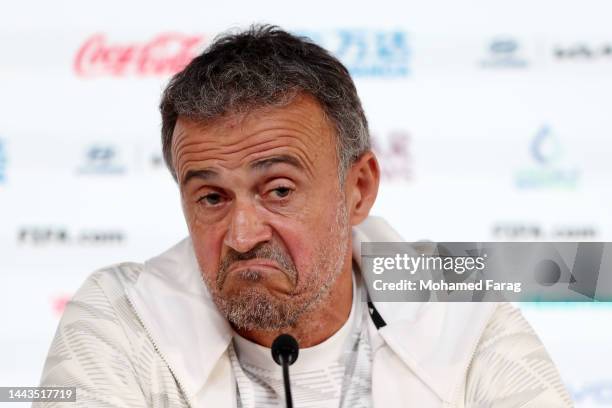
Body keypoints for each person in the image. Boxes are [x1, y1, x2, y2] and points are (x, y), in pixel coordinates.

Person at [36, 25, 573, 407]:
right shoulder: (120, 318)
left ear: (358, 189)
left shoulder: (459, 304)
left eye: (279, 190)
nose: (243, 237)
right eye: (212, 199)